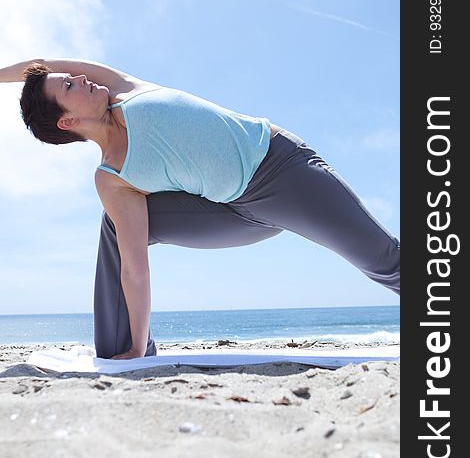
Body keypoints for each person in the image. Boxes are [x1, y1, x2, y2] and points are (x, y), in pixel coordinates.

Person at [1, 58, 400, 359]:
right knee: (116, 230)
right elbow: (134, 267)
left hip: (281, 170)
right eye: (69, 85)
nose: (82, 78)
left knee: (383, 260)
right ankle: (124, 353)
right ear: (67, 122)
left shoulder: (124, 88)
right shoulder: (112, 177)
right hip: (234, 213)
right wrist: (138, 346)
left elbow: (43, 63)